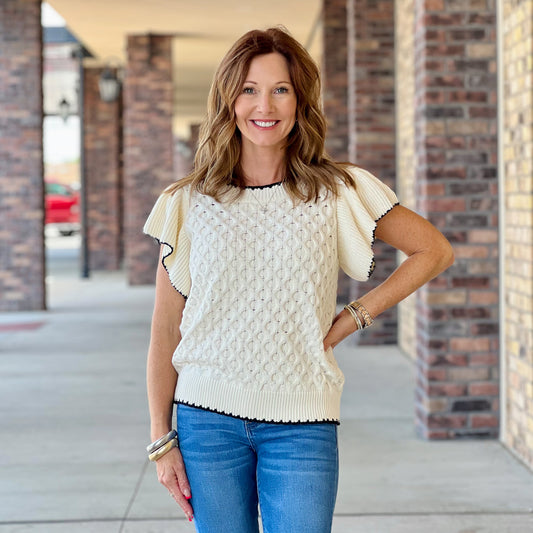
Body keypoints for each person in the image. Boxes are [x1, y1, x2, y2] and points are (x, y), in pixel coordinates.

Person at [143, 26, 454, 533]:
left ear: (300, 100)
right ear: (229, 100)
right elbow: (165, 329)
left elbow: (433, 250)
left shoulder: (338, 190)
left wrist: (353, 318)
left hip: (302, 421)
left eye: (280, 89)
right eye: (249, 89)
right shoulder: (187, 202)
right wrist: (162, 438)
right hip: (206, 420)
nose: (264, 105)